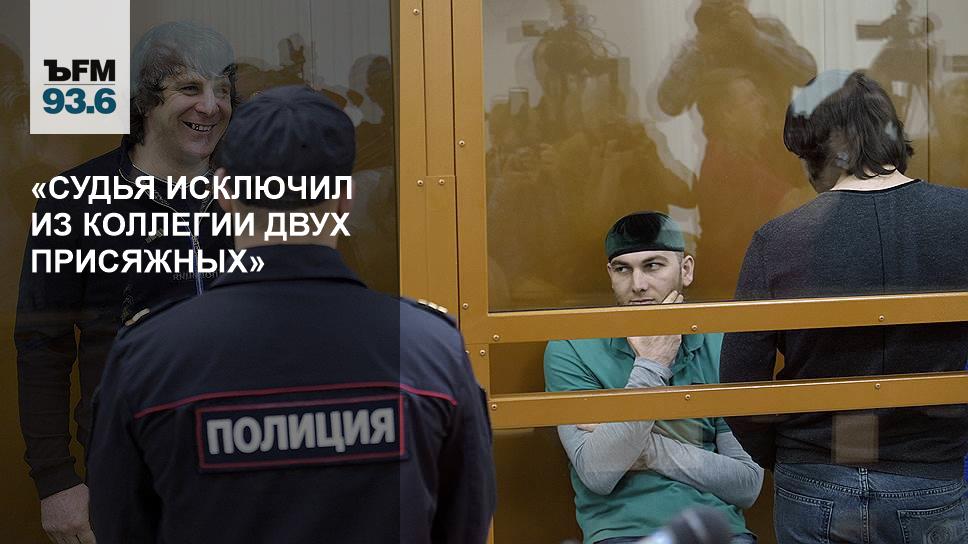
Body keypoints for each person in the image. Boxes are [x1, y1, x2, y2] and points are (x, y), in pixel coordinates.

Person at [86, 85, 496, 543]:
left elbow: (120, 526)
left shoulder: (149, 359)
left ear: (223, 192)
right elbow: (465, 525)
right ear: (345, 198)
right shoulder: (429, 350)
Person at [719, 70, 968, 543]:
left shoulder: (779, 239)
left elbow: (739, 379)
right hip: (929, 471)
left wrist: (784, 454)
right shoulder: (962, 219)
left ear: (819, 151)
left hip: (814, 470)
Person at [15, 22, 236, 542]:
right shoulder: (75, 200)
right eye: (190, 87)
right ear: (144, 100)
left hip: (243, 464)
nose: (211, 106)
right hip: (127, 470)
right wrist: (55, 480)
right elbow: (42, 345)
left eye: (223, 90)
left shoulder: (252, 196)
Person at [544, 211, 763, 544]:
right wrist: (652, 365)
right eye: (623, 269)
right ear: (610, 275)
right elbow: (597, 472)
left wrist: (643, 449)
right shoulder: (570, 348)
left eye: (653, 266)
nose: (638, 285)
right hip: (623, 534)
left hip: (718, 531)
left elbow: (746, 483)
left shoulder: (720, 344)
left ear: (685, 270)